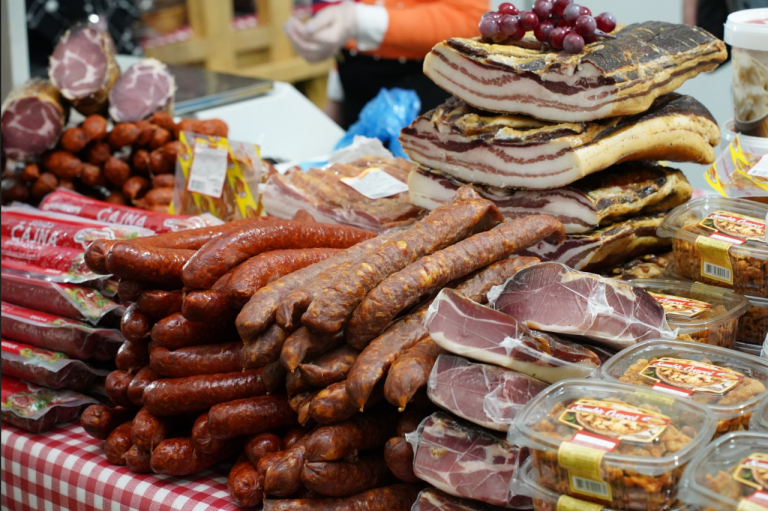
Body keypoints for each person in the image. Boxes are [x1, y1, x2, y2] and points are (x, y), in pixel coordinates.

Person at [285, 0, 489, 128]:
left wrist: (357, 19)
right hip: (356, 92)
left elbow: (470, 19)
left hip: (425, 98)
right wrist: (335, 97)